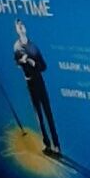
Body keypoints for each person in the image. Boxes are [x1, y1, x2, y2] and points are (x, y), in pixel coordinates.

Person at [12, 18, 59, 156]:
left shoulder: (33, 47)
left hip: (39, 81)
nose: (21, 28)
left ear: (25, 28)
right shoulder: (16, 47)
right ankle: (47, 145)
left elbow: (44, 66)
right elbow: (16, 62)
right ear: (16, 30)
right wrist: (22, 61)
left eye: (22, 25)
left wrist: (34, 63)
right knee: (39, 115)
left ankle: (56, 145)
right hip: (29, 83)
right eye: (18, 26)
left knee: (47, 113)